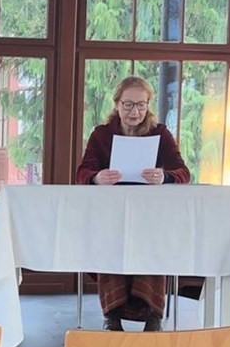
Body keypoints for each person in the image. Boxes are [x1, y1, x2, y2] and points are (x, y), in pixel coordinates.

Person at [76, 76, 190, 332]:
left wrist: (165, 176)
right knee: (108, 246)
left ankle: (153, 314)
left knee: (153, 246)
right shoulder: (101, 134)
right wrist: (97, 177)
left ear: (148, 105)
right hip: (110, 216)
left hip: (151, 217)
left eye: (141, 105)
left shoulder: (160, 133)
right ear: (117, 104)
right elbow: (83, 171)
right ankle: (112, 315)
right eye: (128, 105)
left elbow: (183, 171)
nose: (134, 111)